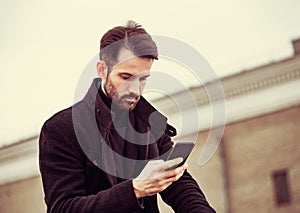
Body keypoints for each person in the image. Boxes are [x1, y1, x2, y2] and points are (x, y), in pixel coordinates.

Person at [39, 20, 216, 213]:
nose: (134, 89)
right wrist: (134, 190)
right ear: (102, 69)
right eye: (125, 77)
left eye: (142, 79)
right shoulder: (61, 129)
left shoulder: (152, 125)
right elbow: (63, 208)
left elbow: (181, 187)